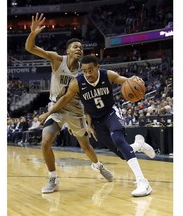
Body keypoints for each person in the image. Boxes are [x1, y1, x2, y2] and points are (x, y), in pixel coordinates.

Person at [39, 55, 156, 197]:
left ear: (97, 67)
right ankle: (139, 145)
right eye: (85, 71)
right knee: (121, 153)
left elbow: (125, 82)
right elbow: (64, 99)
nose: (88, 74)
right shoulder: (77, 83)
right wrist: (48, 113)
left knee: (119, 140)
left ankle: (143, 182)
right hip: (97, 121)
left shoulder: (108, 75)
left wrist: (135, 82)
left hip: (111, 113)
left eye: (91, 70)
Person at [25, 13, 113, 193]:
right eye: (75, 46)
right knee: (45, 141)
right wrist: (33, 33)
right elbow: (30, 48)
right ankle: (53, 178)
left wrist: (89, 123)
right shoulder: (57, 60)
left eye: (81, 47)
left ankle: (97, 165)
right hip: (56, 109)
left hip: (76, 111)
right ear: (68, 50)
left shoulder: (85, 72)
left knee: (85, 145)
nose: (79, 49)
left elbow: (86, 98)